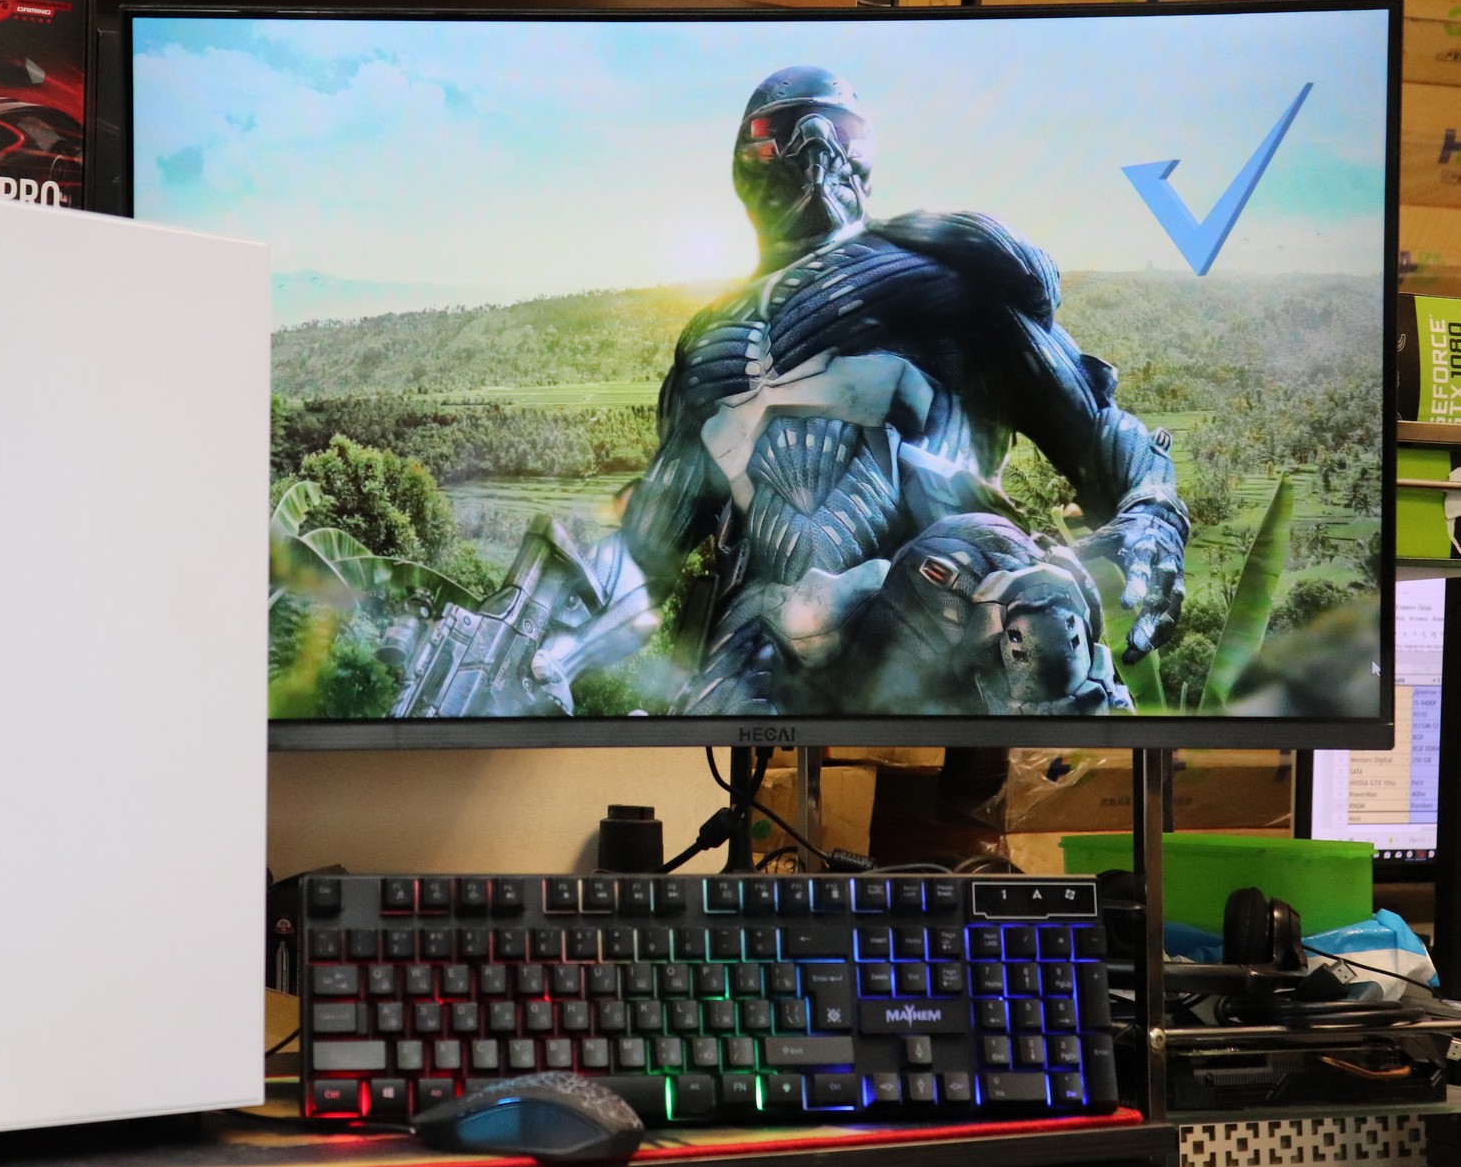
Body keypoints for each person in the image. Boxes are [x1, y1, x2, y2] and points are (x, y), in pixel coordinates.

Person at [391, 67, 1188, 718]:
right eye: (783, 135)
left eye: (834, 134)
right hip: (772, 635)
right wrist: (526, 635)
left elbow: (1104, 437)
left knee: (997, 590)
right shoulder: (712, 344)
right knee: (717, 728)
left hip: (941, 603)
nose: (813, 154)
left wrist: (1149, 528)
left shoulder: (944, 285)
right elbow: (648, 548)